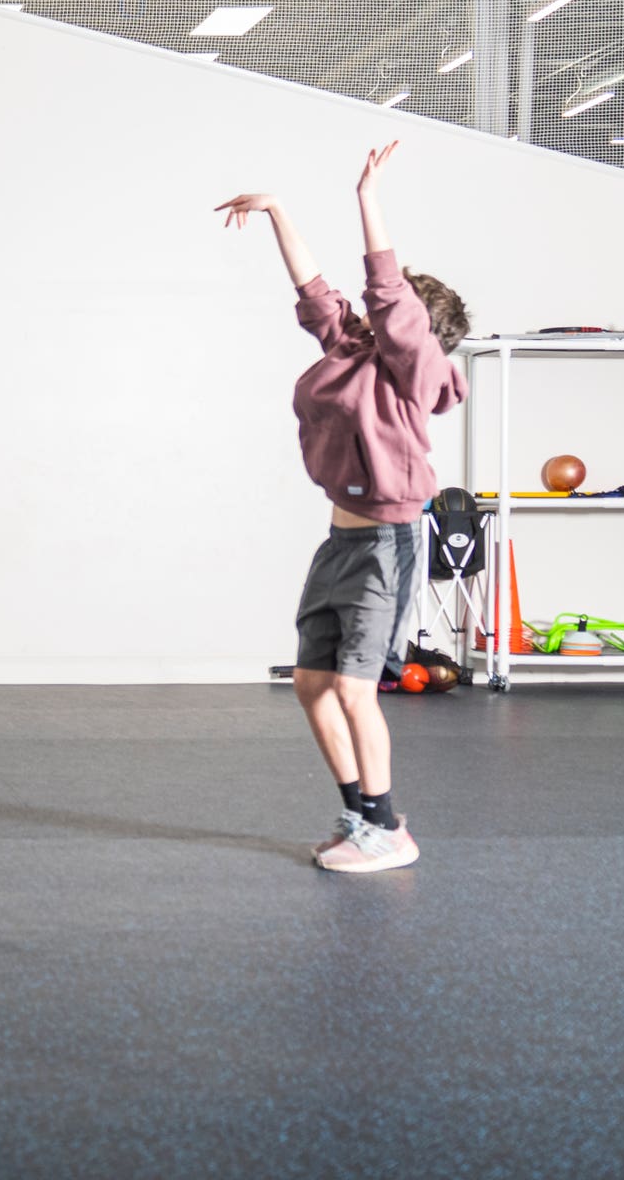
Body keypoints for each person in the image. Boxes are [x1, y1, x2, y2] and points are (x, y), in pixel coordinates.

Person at [218, 142, 469, 874]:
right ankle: (360, 815)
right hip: (340, 542)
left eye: (392, 314)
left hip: (387, 545)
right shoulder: (351, 349)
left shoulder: (416, 372)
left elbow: (387, 295)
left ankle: (390, 831)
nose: (371, 312)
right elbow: (318, 292)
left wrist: (367, 197)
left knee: (357, 692)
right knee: (311, 684)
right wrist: (277, 212)